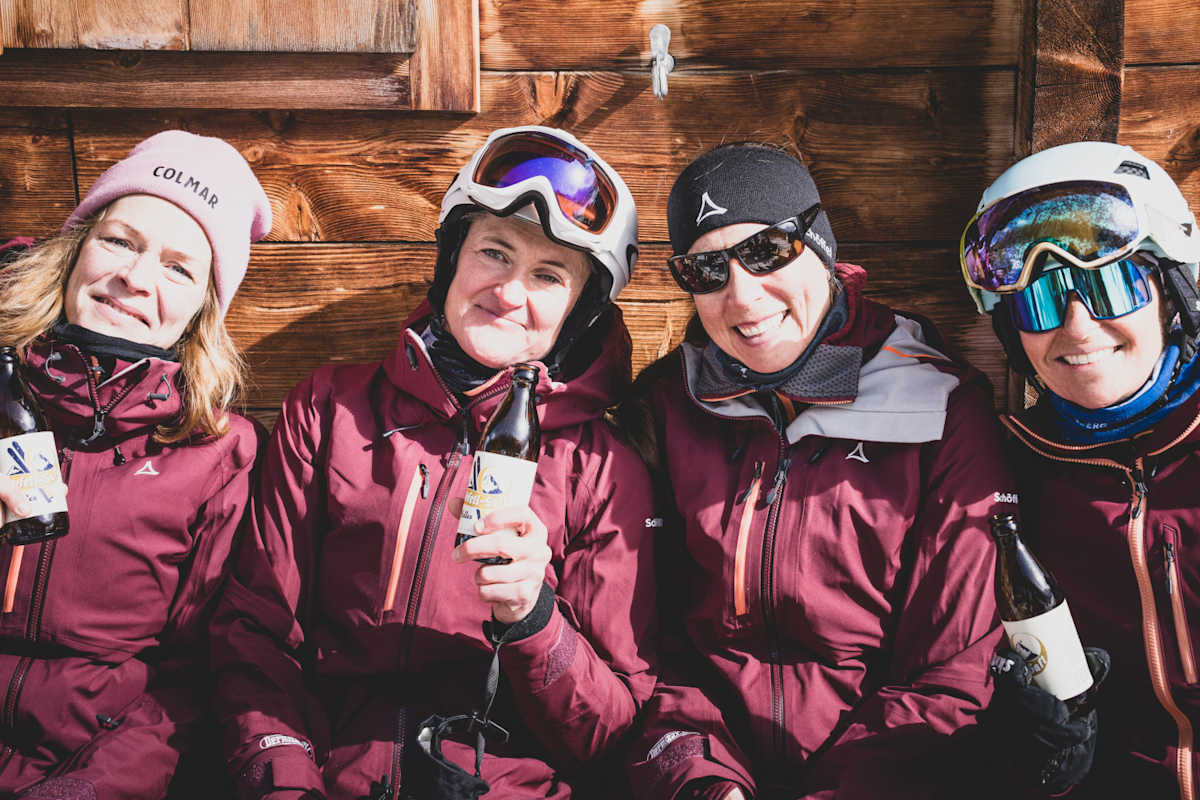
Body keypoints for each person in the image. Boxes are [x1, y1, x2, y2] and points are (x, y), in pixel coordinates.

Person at [210, 126, 658, 799]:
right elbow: (256, 634)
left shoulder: (603, 469)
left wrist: (535, 620)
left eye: (548, 275)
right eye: (494, 253)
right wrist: (284, 781)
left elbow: (613, 731)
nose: (509, 292)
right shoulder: (329, 409)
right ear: (452, 259)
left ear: (578, 312)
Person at [621, 143, 1018, 799]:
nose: (742, 295)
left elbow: (952, 673)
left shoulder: (937, 405)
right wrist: (702, 780)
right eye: (707, 269)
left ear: (821, 246)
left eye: (767, 251)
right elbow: (648, 649)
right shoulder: (667, 404)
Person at [0, 130, 271, 798]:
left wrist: (87, 791)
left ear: (203, 309)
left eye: (179, 268)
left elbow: (191, 680)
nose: (135, 278)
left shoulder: (220, 454)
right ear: (74, 250)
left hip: (89, 770)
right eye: (119, 241)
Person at [958, 141, 1200, 798]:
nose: (1078, 327)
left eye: (1109, 285)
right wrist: (1028, 759)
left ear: (1172, 296)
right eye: (1039, 302)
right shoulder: (1007, 475)